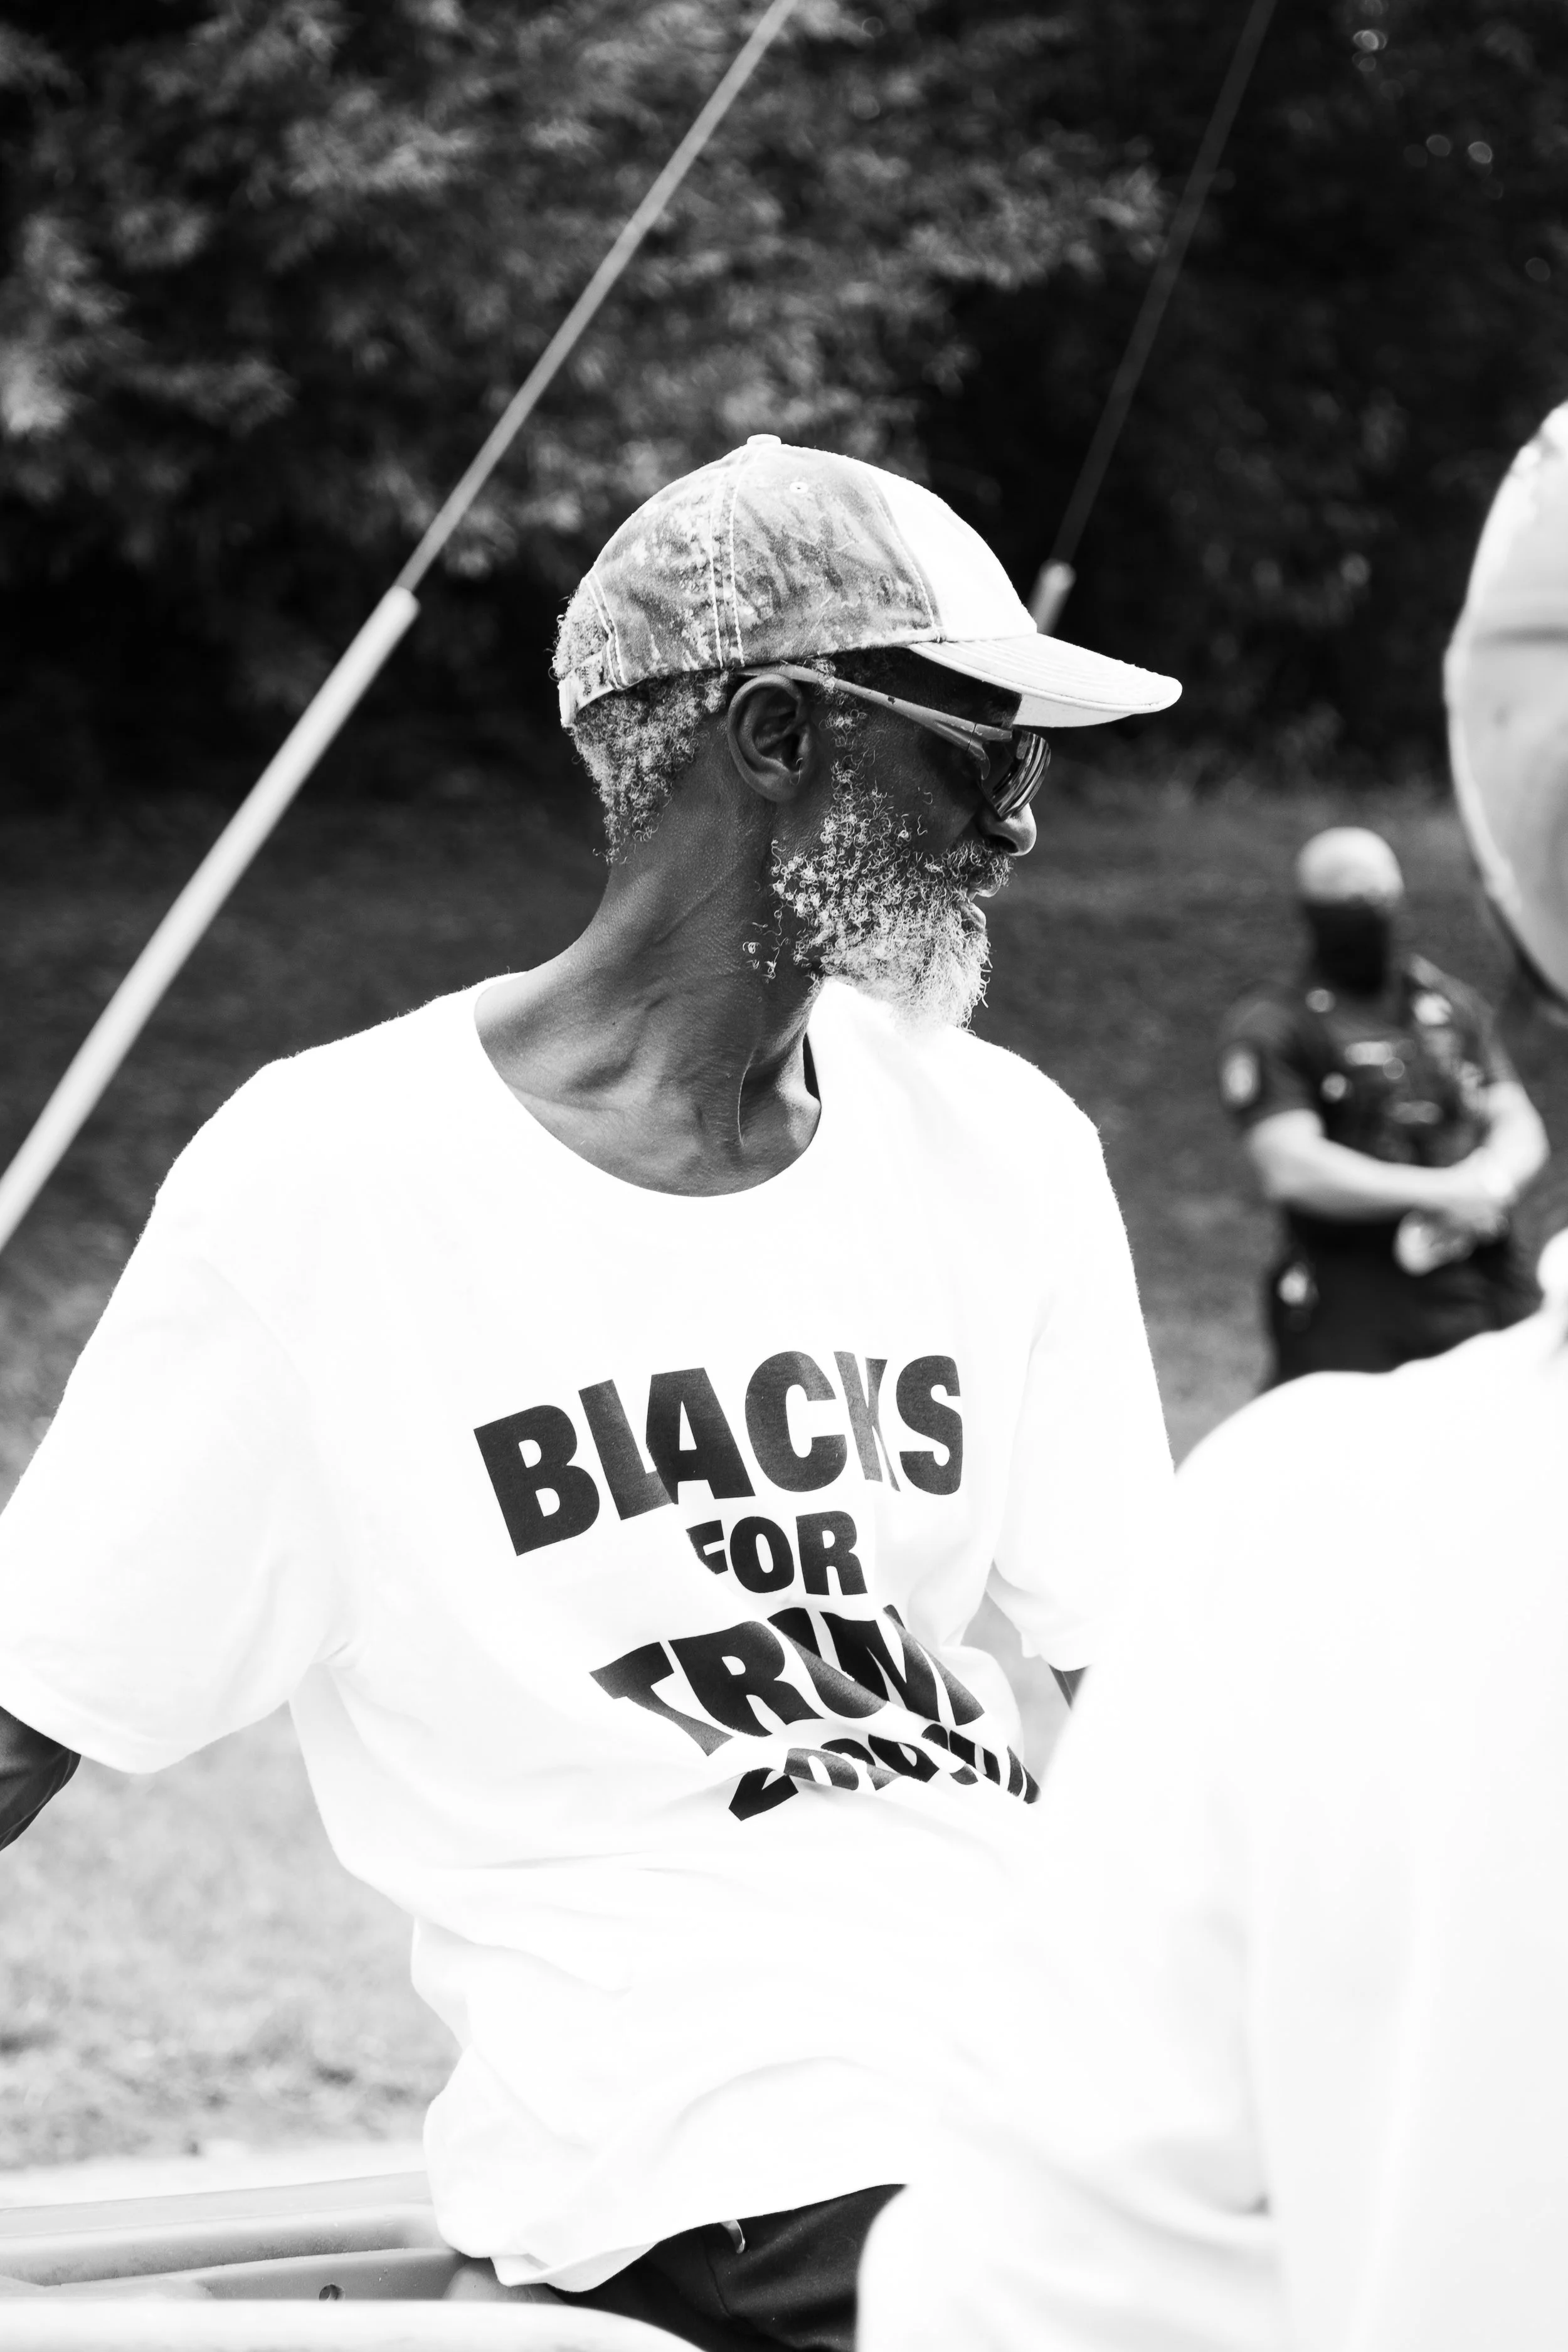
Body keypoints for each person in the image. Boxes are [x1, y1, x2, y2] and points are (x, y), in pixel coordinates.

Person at [0, 437, 1179, 2349]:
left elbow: (1146, 1702)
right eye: (976, 748)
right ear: (780, 735)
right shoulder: (334, 1177)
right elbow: (30, 1704)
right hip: (719, 2127)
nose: (1020, 826)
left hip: (1063, 2068)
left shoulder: (1004, 1147)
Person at [857, 405, 1568, 2351]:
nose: (1006, 819)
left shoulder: (1327, 1550)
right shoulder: (1309, 1521)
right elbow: (1282, 1164)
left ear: (1506, 893)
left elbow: (1029, 2301)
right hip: (1360, 1325)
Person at [1217, 824, 1547, 1382]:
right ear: (1310, 908)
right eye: (1347, 899)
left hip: (1480, 1280)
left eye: (1376, 894)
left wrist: (1489, 1184)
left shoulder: (1446, 1003)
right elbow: (1291, 1166)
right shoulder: (1278, 1025)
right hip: (1355, 1296)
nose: (1366, 909)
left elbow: (1517, 1117)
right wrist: (1448, 1192)